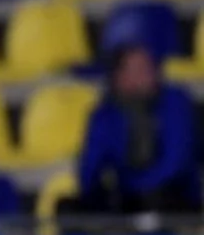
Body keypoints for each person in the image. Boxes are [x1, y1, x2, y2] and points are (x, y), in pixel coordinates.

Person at [66, 44, 201, 224]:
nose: (146, 75)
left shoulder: (175, 102)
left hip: (172, 196)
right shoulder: (106, 113)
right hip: (127, 198)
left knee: (158, 198)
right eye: (135, 69)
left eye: (148, 67)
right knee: (69, 209)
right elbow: (89, 172)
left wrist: (135, 187)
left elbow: (176, 163)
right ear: (118, 76)